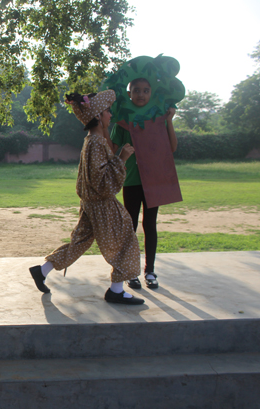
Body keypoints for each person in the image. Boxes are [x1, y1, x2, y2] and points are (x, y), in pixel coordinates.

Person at [28, 90, 144, 305]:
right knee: (125, 239)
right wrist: (122, 158)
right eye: (107, 111)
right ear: (98, 115)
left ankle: (42, 271)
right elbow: (100, 181)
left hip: (91, 204)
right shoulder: (97, 142)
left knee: (79, 242)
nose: (110, 115)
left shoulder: (91, 140)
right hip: (101, 204)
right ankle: (116, 291)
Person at [110, 78, 178, 290]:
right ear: (129, 93)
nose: (141, 94)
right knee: (130, 227)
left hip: (153, 182)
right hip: (131, 181)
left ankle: (150, 271)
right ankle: (130, 271)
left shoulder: (157, 119)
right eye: (136, 90)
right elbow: (111, 150)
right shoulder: (123, 121)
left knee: (150, 225)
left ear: (151, 93)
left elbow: (172, 147)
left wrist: (169, 120)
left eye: (146, 90)